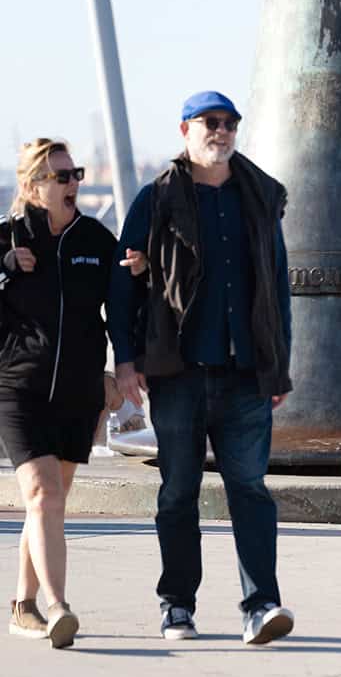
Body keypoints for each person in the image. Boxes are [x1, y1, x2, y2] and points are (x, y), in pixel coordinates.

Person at [107, 91, 295, 644]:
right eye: (211, 123)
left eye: (230, 122)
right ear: (185, 129)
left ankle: (262, 605)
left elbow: (277, 285)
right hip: (177, 372)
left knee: (250, 491)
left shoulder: (257, 196)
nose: (222, 131)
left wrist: (277, 364)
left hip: (244, 374)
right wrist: (124, 359)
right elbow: (123, 284)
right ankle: (177, 605)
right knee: (178, 491)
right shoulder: (156, 198)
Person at [0, 139, 116, 648]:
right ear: (34, 185)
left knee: (48, 502)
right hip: (18, 388)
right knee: (44, 494)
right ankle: (58, 606)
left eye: (76, 174)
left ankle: (22, 607)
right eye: (62, 176)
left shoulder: (96, 239)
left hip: (77, 390)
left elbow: (122, 312)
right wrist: (3, 263)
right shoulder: (8, 239)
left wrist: (118, 373)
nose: (74, 184)